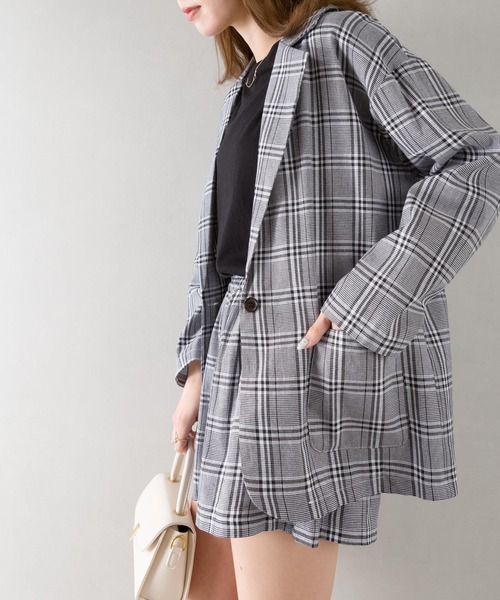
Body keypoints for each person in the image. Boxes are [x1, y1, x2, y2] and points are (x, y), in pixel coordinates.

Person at [172, 1, 500, 598]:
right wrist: (197, 372)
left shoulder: (341, 41)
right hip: (230, 375)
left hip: (301, 383)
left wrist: (364, 301)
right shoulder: (246, 86)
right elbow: (226, 250)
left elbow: (477, 162)